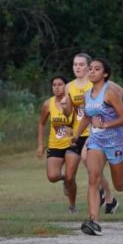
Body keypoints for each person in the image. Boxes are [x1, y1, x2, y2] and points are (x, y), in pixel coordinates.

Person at [72, 58, 123, 236]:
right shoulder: (86, 95)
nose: (91, 72)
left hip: (115, 142)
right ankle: (93, 221)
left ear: (105, 74)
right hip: (96, 141)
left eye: (96, 69)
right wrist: (76, 135)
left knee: (119, 185)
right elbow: (87, 117)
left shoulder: (110, 93)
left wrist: (105, 124)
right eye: (90, 69)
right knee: (93, 178)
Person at [66, 53, 116, 214]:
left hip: (95, 131)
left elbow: (117, 93)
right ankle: (107, 196)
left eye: (81, 64)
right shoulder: (69, 86)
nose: (78, 67)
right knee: (79, 170)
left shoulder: (96, 83)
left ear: (89, 67)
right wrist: (65, 108)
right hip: (79, 131)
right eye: (75, 64)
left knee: (88, 160)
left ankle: (107, 196)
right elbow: (71, 111)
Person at [36, 75, 78, 212]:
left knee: (70, 176)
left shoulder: (73, 101)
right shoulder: (48, 104)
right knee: (52, 176)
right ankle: (65, 179)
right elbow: (41, 124)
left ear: (66, 86)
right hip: (55, 144)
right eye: (54, 85)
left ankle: (72, 206)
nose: (57, 87)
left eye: (60, 84)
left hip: (72, 144)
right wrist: (41, 145)